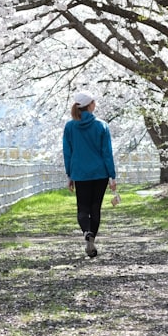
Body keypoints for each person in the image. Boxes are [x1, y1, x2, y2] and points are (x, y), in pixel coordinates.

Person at [62, 91, 117, 258]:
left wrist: (69, 175)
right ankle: (91, 238)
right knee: (95, 208)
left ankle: (87, 232)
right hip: (100, 173)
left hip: (79, 173)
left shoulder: (70, 127)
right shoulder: (101, 125)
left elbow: (67, 152)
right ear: (90, 105)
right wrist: (112, 176)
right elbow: (107, 152)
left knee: (83, 208)